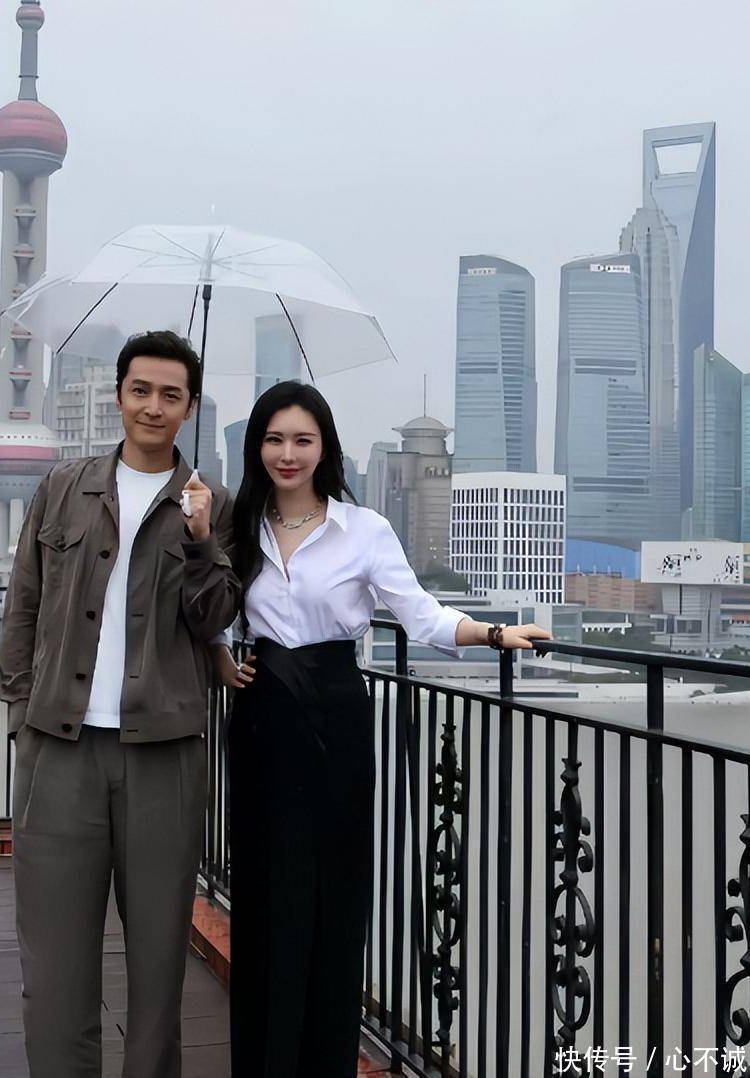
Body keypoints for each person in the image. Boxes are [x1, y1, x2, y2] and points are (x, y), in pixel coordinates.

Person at [211, 380, 550, 1078]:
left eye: (302, 439)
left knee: (332, 894)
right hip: (262, 718)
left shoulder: (363, 529)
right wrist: (220, 655)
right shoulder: (238, 527)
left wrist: (493, 633)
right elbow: (212, 611)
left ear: (325, 448)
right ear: (256, 448)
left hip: (335, 717)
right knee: (267, 893)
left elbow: (422, 616)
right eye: (274, 439)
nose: (287, 453)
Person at [0, 330, 240, 1078]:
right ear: (118, 396)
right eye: (141, 390)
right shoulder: (63, 488)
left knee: (159, 970)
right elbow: (23, 605)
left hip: (164, 758)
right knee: (53, 969)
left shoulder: (215, 504)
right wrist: (21, 716)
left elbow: (215, 618)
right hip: (59, 752)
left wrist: (200, 539)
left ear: (190, 407)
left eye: (171, 395)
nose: (153, 407)